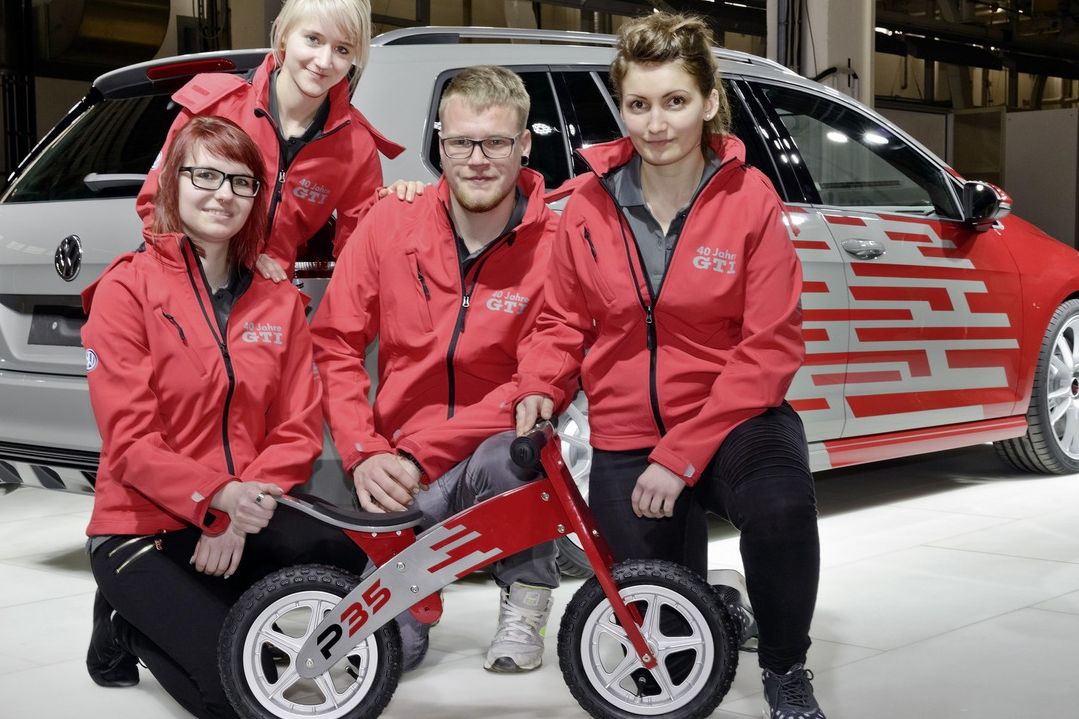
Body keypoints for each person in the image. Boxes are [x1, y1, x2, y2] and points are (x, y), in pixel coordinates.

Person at [514, 13, 826, 719]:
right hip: (627, 431)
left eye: (675, 101)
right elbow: (562, 321)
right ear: (621, 107)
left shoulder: (749, 200)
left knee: (780, 508)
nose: (656, 124)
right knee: (669, 661)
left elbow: (771, 345)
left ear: (709, 101)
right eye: (639, 104)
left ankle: (785, 666)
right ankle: (719, 606)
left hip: (736, 419)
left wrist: (681, 456)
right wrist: (539, 385)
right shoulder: (587, 205)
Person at [82, 116, 370, 718]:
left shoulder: (278, 301)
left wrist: (239, 509)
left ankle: (212, 604)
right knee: (238, 694)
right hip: (144, 524)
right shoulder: (126, 290)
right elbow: (131, 444)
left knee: (341, 554)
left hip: (242, 512)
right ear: (172, 183)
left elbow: (297, 428)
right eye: (205, 176)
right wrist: (217, 496)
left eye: (241, 182)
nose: (223, 195)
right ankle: (125, 627)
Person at [310, 65, 565, 674]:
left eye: (496, 142)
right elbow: (336, 342)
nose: (477, 160)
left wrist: (419, 455)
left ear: (524, 145)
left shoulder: (557, 242)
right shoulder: (391, 223)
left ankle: (526, 600)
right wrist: (362, 451)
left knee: (518, 452)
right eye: (460, 143)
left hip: (486, 447)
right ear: (439, 144)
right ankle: (411, 603)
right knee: (383, 658)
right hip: (397, 466)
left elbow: (541, 373)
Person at [136, 0, 413, 282]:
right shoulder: (217, 108)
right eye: (313, 39)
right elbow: (156, 203)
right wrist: (233, 258)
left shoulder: (355, 146)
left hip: (271, 293)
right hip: (181, 279)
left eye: (342, 49)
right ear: (283, 34)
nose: (324, 61)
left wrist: (400, 211)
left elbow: (359, 253)